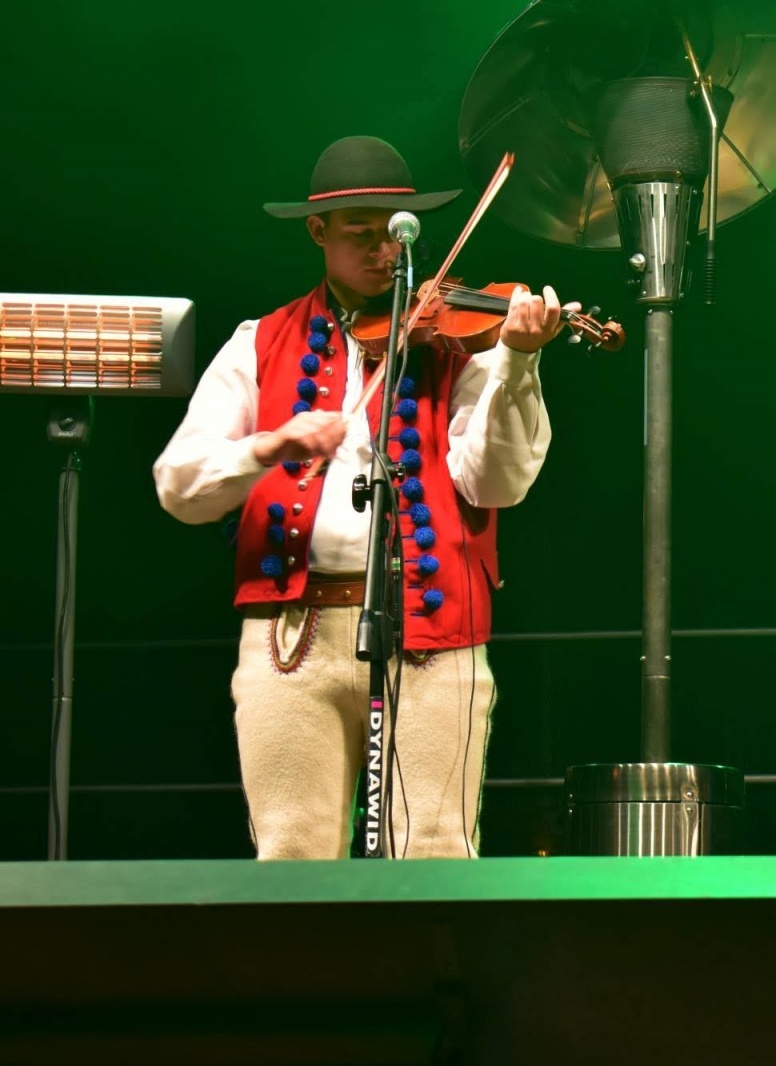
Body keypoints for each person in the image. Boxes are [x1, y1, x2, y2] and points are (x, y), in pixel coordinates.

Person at [154, 135, 575, 860]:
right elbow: (180, 488)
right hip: (293, 635)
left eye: (395, 234)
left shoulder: (462, 345)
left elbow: (495, 483)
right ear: (318, 232)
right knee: (292, 852)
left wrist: (518, 365)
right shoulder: (260, 342)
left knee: (436, 851)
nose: (384, 252)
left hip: (434, 631)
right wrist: (270, 446)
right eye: (362, 235)